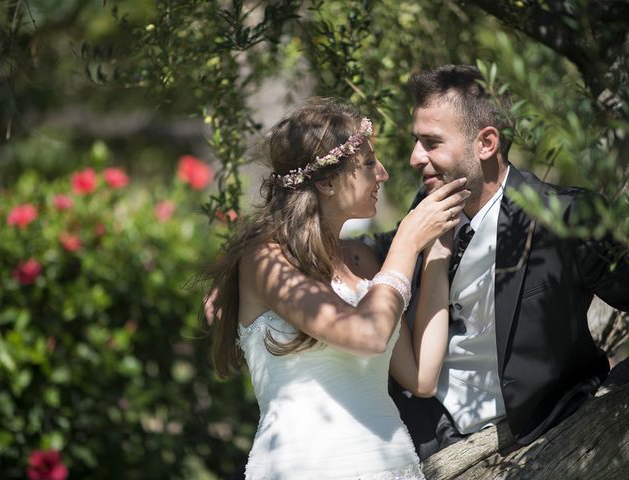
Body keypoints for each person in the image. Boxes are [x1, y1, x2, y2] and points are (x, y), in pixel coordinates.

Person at [363, 64, 629, 460]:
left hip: (536, 436)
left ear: (486, 143)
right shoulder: (426, 209)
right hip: (424, 434)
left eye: (431, 142)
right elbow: (373, 249)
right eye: (416, 141)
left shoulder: (567, 218)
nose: (415, 157)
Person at [203, 97, 470, 479]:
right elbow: (368, 334)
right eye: (367, 165)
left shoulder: (363, 261)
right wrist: (407, 242)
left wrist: (437, 252)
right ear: (327, 181)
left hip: (393, 464)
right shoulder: (266, 260)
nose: (382, 174)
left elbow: (421, 376)